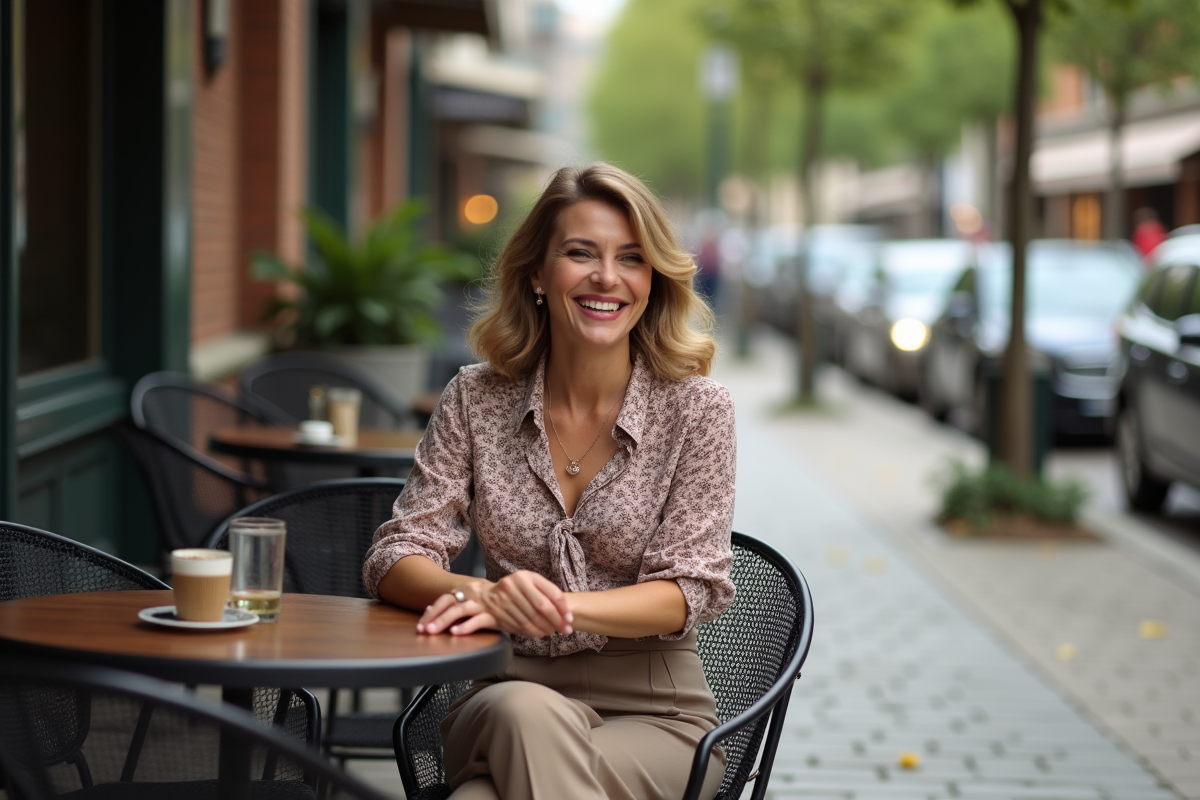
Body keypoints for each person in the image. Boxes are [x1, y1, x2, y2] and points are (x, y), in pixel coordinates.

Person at [362, 163, 737, 800]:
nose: (607, 278)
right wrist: (480, 596)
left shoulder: (698, 411)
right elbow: (394, 556)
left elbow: (689, 589)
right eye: (580, 253)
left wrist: (551, 609)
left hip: (657, 713)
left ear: (653, 281)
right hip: (504, 688)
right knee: (524, 713)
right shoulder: (475, 399)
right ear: (537, 272)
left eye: (632, 258)